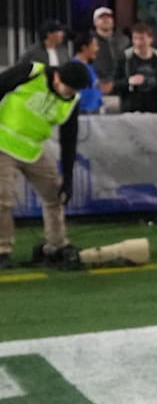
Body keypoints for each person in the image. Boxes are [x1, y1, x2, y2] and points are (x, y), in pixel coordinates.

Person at [0, 60, 91, 270]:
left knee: (55, 196)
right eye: (68, 89)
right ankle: (2, 250)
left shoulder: (72, 100)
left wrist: (67, 179)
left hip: (33, 149)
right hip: (2, 142)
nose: (69, 94)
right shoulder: (31, 72)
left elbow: (70, 140)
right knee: (3, 200)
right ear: (58, 78)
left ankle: (56, 245)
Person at [114, 23, 157, 113]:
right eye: (135, 39)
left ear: (151, 39)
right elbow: (114, 85)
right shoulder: (124, 58)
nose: (138, 43)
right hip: (132, 108)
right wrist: (128, 81)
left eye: (142, 39)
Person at [70, 32, 107, 114]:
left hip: (95, 111)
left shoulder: (89, 66)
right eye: (94, 45)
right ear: (84, 48)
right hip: (83, 113)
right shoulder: (74, 67)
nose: (97, 49)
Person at [91, 7, 129, 86]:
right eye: (102, 18)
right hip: (97, 84)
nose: (106, 20)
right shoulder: (89, 41)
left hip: (120, 85)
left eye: (109, 17)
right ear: (95, 22)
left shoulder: (124, 40)